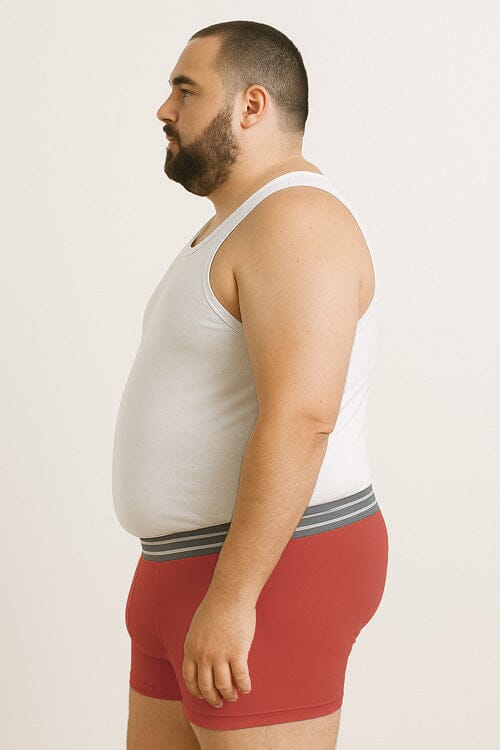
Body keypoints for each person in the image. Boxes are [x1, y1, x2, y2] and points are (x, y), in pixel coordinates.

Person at [112, 19, 389, 750]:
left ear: (252, 105)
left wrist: (235, 597)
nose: (165, 109)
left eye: (186, 89)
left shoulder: (297, 219)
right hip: (183, 568)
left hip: (270, 571)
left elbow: (302, 417)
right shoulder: (239, 224)